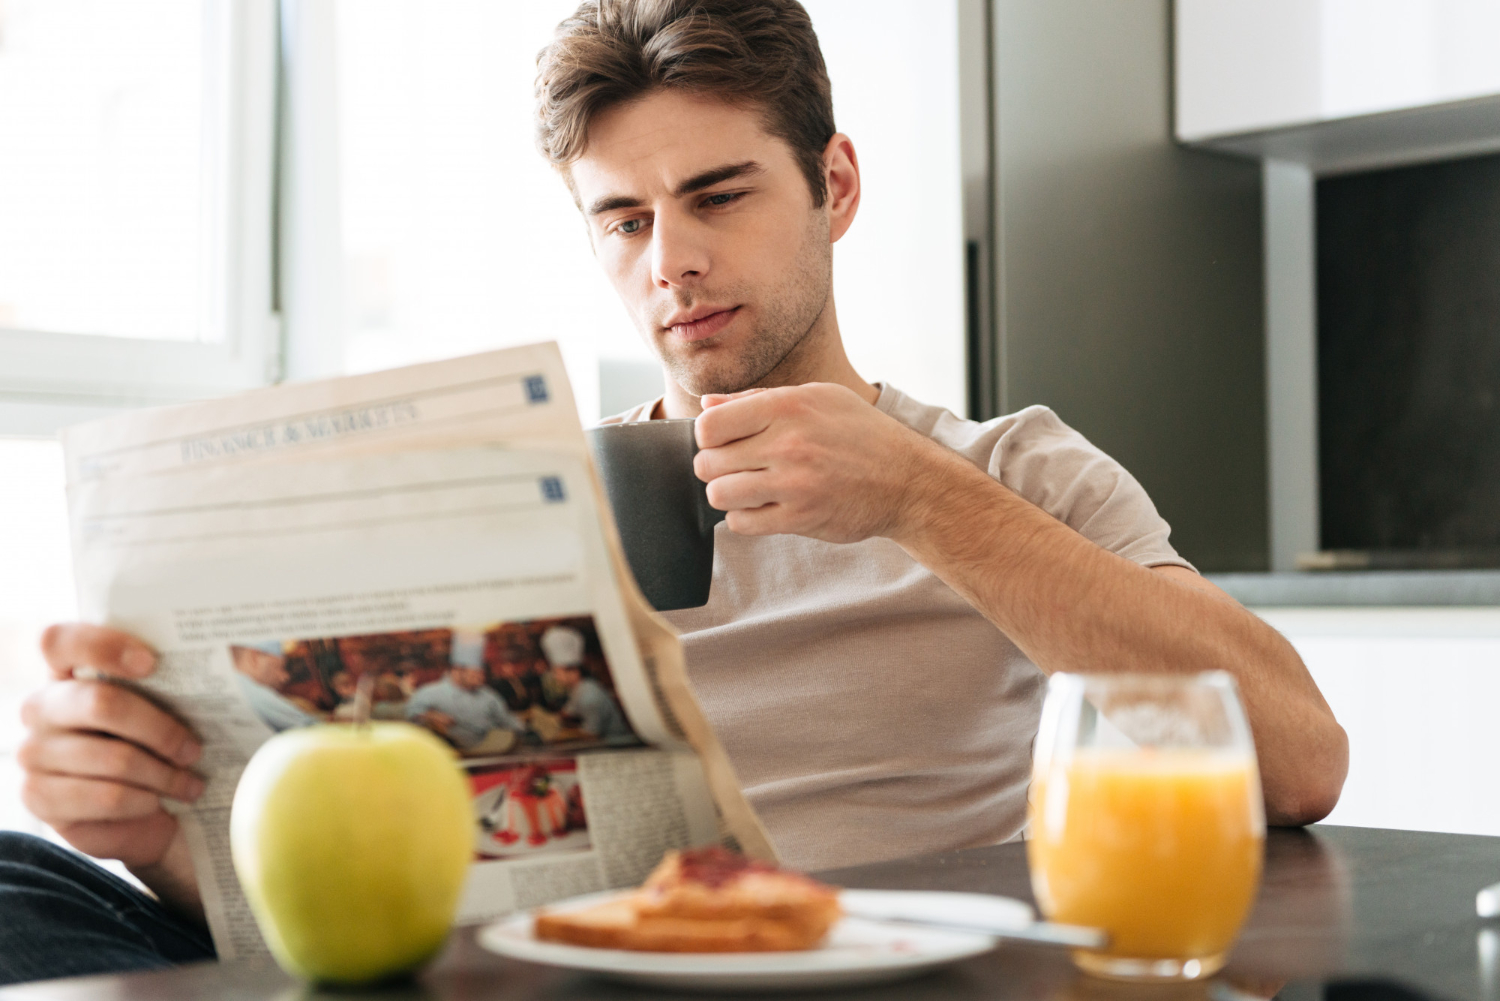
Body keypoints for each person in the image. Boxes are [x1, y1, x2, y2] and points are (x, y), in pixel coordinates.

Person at [7, 0, 1348, 984]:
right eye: (625, 219)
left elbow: (1297, 757)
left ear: (833, 186)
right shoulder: (533, 493)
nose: (674, 263)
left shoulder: (1006, 468)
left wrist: (922, 502)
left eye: (718, 196)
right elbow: (365, 902)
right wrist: (146, 833)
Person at [406, 632, 529, 754]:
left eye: (482, 673)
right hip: (452, 754)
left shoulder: (488, 695)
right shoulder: (429, 692)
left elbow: (506, 719)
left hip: (493, 750)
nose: (481, 678)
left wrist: (524, 729)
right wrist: (431, 716)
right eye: (475, 674)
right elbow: (410, 715)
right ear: (457, 671)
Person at [228, 641, 318, 732]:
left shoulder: (234, 684)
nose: (284, 677)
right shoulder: (256, 695)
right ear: (254, 657)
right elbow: (312, 729)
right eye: (280, 667)